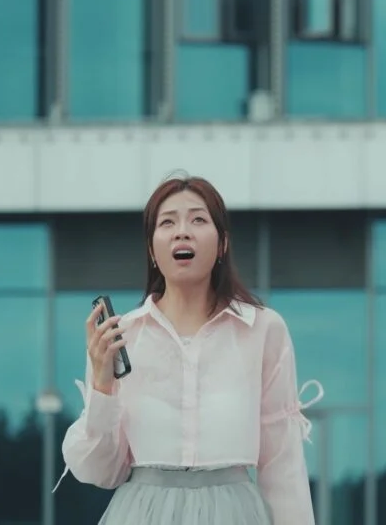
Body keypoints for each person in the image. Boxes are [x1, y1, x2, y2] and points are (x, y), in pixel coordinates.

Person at [53, 174, 323, 525]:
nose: (182, 232)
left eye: (198, 219)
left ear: (222, 243)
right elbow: (100, 471)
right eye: (168, 222)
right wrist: (103, 388)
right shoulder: (120, 337)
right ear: (152, 249)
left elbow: (283, 464)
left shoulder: (263, 330)